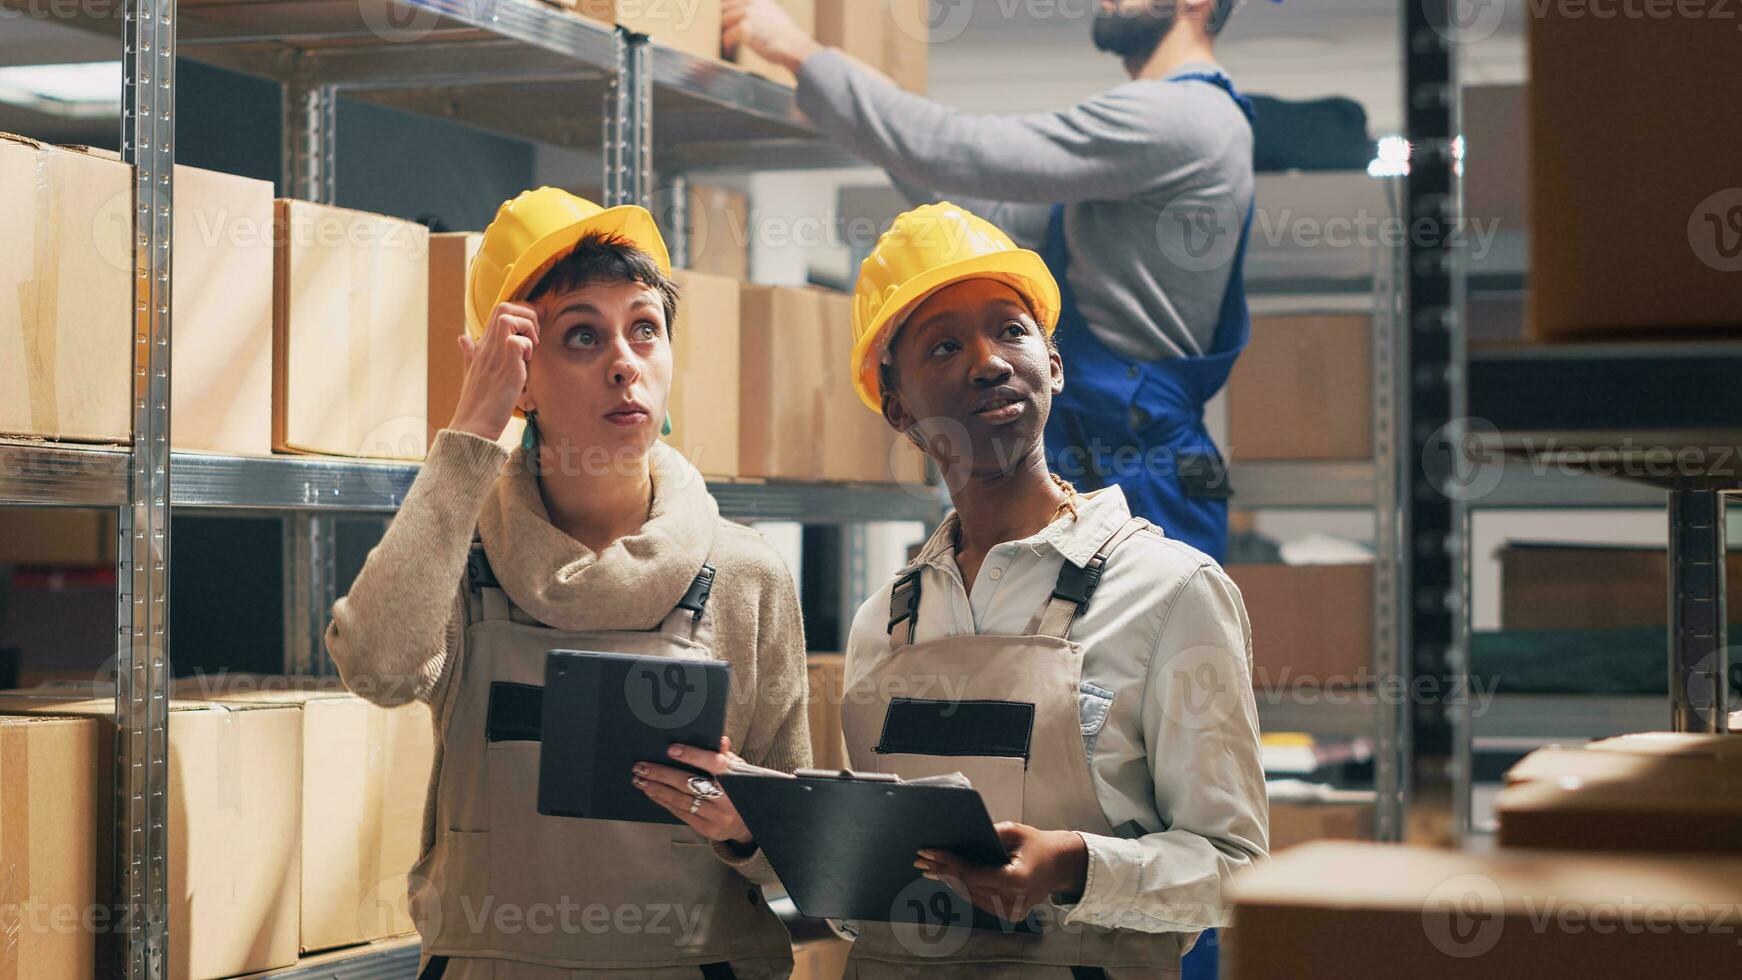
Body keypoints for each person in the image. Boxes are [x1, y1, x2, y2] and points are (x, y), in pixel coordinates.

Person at [326, 189, 809, 979]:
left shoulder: (747, 574)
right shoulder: (461, 551)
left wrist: (746, 824)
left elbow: (799, 858)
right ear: (519, 378)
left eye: (644, 328)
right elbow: (375, 666)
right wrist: (471, 432)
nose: (625, 361)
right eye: (582, 335)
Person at [836, 202, 1267, 979]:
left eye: (1010, 329)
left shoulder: (1170, 594)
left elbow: (1235, 871)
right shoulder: (885, 624)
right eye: (943, 345)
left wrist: (1075, 867)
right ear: (898, 407)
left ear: (1055, 363)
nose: (989, 361)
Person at [724, 0, 1260, 564]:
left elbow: (965, 151)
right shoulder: (1176, 133)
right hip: (1107, 445)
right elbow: (989, 209)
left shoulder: (1184, 115)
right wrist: (881, 123)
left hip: (1137, 467)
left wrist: (800, 53)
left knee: (1148, 641)